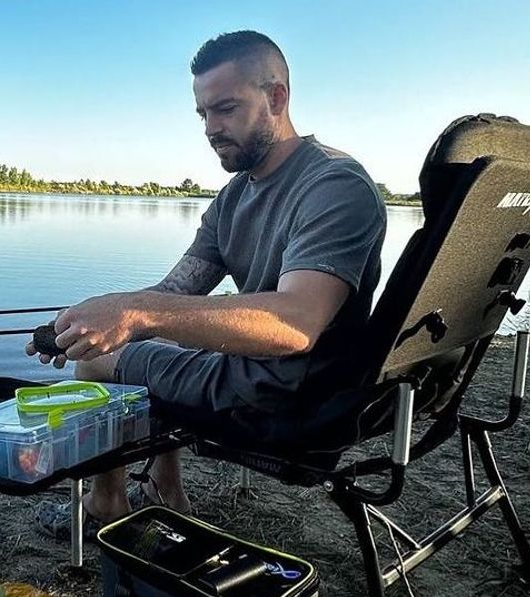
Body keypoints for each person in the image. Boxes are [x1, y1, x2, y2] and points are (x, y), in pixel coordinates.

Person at [28, 30, 386, 540]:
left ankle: (107, 500)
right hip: (263, 379)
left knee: (99, 365)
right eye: (203, 114)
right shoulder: (233, 197)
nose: (211, 129)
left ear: (277, 98)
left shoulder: (334, 185)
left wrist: (134, 316)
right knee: (136, 339)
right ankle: (163, 490)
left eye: (225, 109)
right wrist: (94, 321)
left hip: (293, 398)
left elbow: (296, 323)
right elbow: (174, 294)